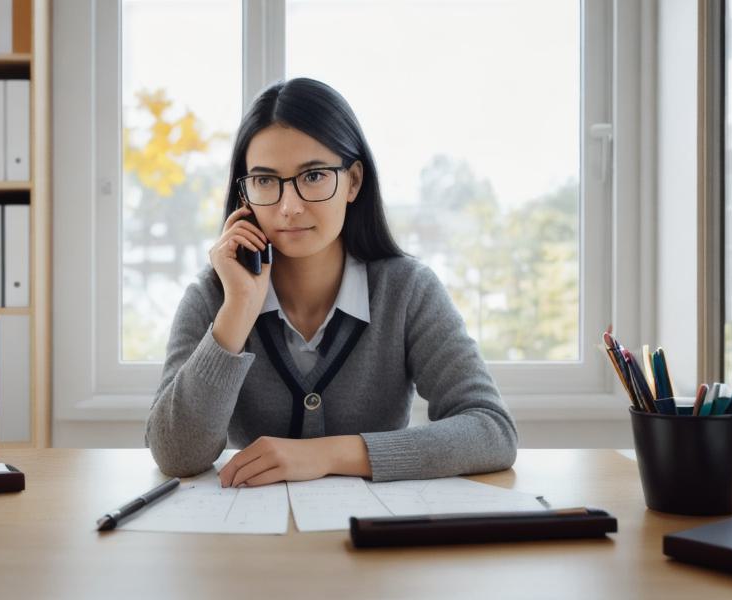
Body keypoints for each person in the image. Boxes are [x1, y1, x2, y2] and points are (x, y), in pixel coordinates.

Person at [145, 78, 517, 488]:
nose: (289, 207)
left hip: (371, 540)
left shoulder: (408, 291)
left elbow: (491, 430)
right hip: (253, 544)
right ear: (245, 195)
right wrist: (238, 310)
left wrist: (328, 454)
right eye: (266, 181)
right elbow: (175, 454)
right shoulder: (214, 296)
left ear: (353, 181)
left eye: (314, 176)